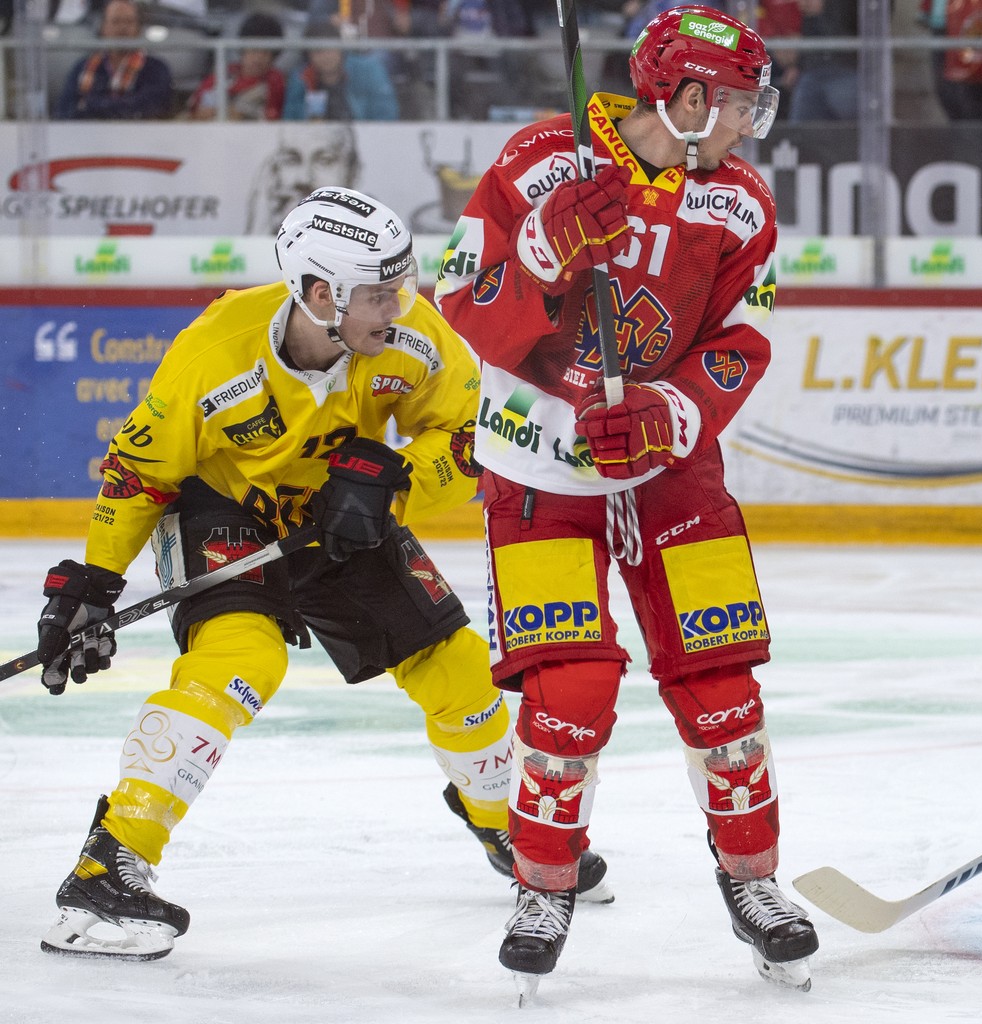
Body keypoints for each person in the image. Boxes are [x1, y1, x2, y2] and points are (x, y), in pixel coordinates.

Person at [35, 186, 611, 962]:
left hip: (347, 506)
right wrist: (94, 585)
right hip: (220, 505)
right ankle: (106, 869)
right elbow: (140, 475)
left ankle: (505, 826)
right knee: (242, 659)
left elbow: (476, 436)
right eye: (378, 292)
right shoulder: (214, 351)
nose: (398, 305)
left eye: (400, 285)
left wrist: (397, 478)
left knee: (458, 667)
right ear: (317, 293)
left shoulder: (416, 337)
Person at [434, 4, 818, 997]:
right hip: (537, 463)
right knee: (570, 692)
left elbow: (741, 341)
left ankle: (754, 879)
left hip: (670, 471)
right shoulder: (537, 163)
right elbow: (462, 299)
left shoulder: (741, 203)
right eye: (737, 102)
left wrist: (668, 412)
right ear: (687, 99)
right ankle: (543, 883)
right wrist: (544, 259)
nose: (750, 121)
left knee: (722, 681)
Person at [55, 0, 173, 119]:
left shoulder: (155, 69)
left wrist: (91, 105)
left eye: (129, 21)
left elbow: (149, 109)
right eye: (115, 21)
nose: (122, 28)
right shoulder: (83, 67)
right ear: (103, 27)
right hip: (88, 135)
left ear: (138, 28)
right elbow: (65, 111)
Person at [282, 20, 399, 121]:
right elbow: (291, 122)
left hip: (365, 140)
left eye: (330, 49)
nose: (326, 56)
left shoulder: (369, 70)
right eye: (318, 51)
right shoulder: (301, 79)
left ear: (341, 49)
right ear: (309, 56)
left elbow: (386, 115)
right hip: (318, 142)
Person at [921, 0, 982, 121]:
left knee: (972, 92)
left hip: (975, 15)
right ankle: (966, 137)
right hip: (943, 19)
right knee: (947, 92)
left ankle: (977, 137)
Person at [186, 10, 286, 121]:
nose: (258, 58)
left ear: (274, 56)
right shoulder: (223, 75)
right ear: (242, 49)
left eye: (265, 53)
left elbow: (272, 118)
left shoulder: (275, 81)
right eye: (254, 50)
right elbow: (193, 111)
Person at [789, 0, 857, 122]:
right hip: (812, 71)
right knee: (801, 134)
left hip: (847, 70)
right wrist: (799, 65)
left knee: (853, 131)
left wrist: (828, 6)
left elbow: (875, 20)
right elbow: (808, 32)